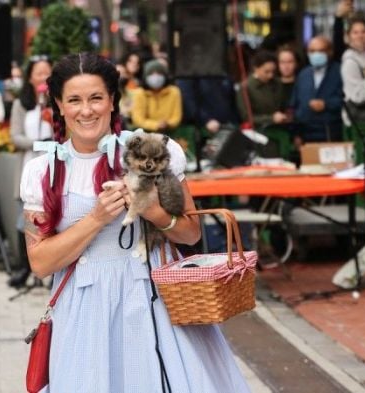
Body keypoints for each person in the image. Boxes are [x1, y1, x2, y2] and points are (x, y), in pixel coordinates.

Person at [20, 52, 250, 391]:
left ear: (112, 100)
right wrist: (96, 219)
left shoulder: (154, 151)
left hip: (156, 302)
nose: (87, 110)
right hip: (84, 313)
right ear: (59, 104)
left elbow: (190, 234)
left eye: (96, 97)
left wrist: (153, 211)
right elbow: (40, 263)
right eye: (75, 100)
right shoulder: (43, 170)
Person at [7, 56, 52, 288]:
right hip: (29, 160)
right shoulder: (20, 104)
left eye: (47, 72)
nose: (43, 77)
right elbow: (14, 136)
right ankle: (24, 266)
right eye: (39, 73)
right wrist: (37, 143)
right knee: (23, 218)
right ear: (30, 77)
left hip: (53, 164)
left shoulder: (56, 102)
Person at [289, 35, 343, 143]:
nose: (316, 54)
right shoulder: (304, 74)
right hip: (306, 133)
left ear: (330, 52)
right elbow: (295, 105)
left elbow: (347, 100)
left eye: (321, 51)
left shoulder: (340, 71)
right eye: (312, 51)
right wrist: (296, 133)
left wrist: (326, 104)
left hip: (330, 132)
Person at [236, 51, 289, 130]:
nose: (270, 75)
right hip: (259, 130)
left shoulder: (277, 83)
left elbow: (283, 105)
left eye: (273, 71)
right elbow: (247, 117)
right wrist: (271, 118)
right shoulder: (246, 87)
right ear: (256, 69)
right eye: (266, 72)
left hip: (279, 127)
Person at [130, 59, 182, 132]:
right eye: (151, 74)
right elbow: (138, 119)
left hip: (169, 132)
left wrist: (167, 124)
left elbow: (176, 117)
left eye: (159, 73)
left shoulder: (174, 91)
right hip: (145, 133)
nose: (155, 77)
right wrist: (156, 125)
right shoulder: (139, 93)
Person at [341, 18, 365, 123]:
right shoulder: (350, 60)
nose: (360, 36)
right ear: (349, 36)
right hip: (358, 117)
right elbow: (357, 97)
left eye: (363, 32)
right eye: (355, 32)